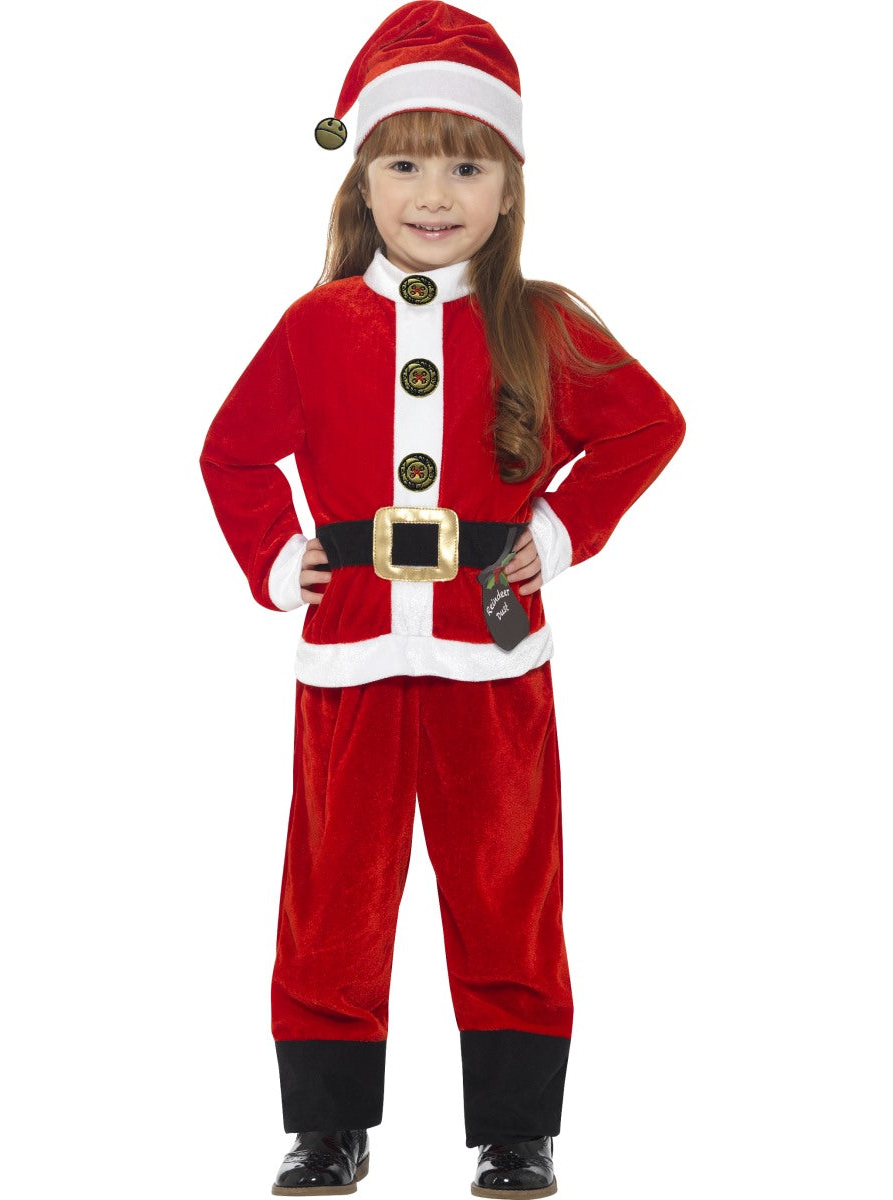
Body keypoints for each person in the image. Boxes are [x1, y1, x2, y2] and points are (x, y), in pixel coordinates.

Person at [199, 3, 686, 1196]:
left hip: (492, 645)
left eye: (467, 166)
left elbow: (650, 427)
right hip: (352, 648)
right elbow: (232, 454)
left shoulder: (542, 323)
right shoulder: (317, 325)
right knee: (334, 894)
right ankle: (326, 1128)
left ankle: (518, 1135)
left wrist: (555, 533)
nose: (434, 193)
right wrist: (281, 559)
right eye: (405, 163)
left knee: (507, 887)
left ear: (509, 189)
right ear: (360, 180)